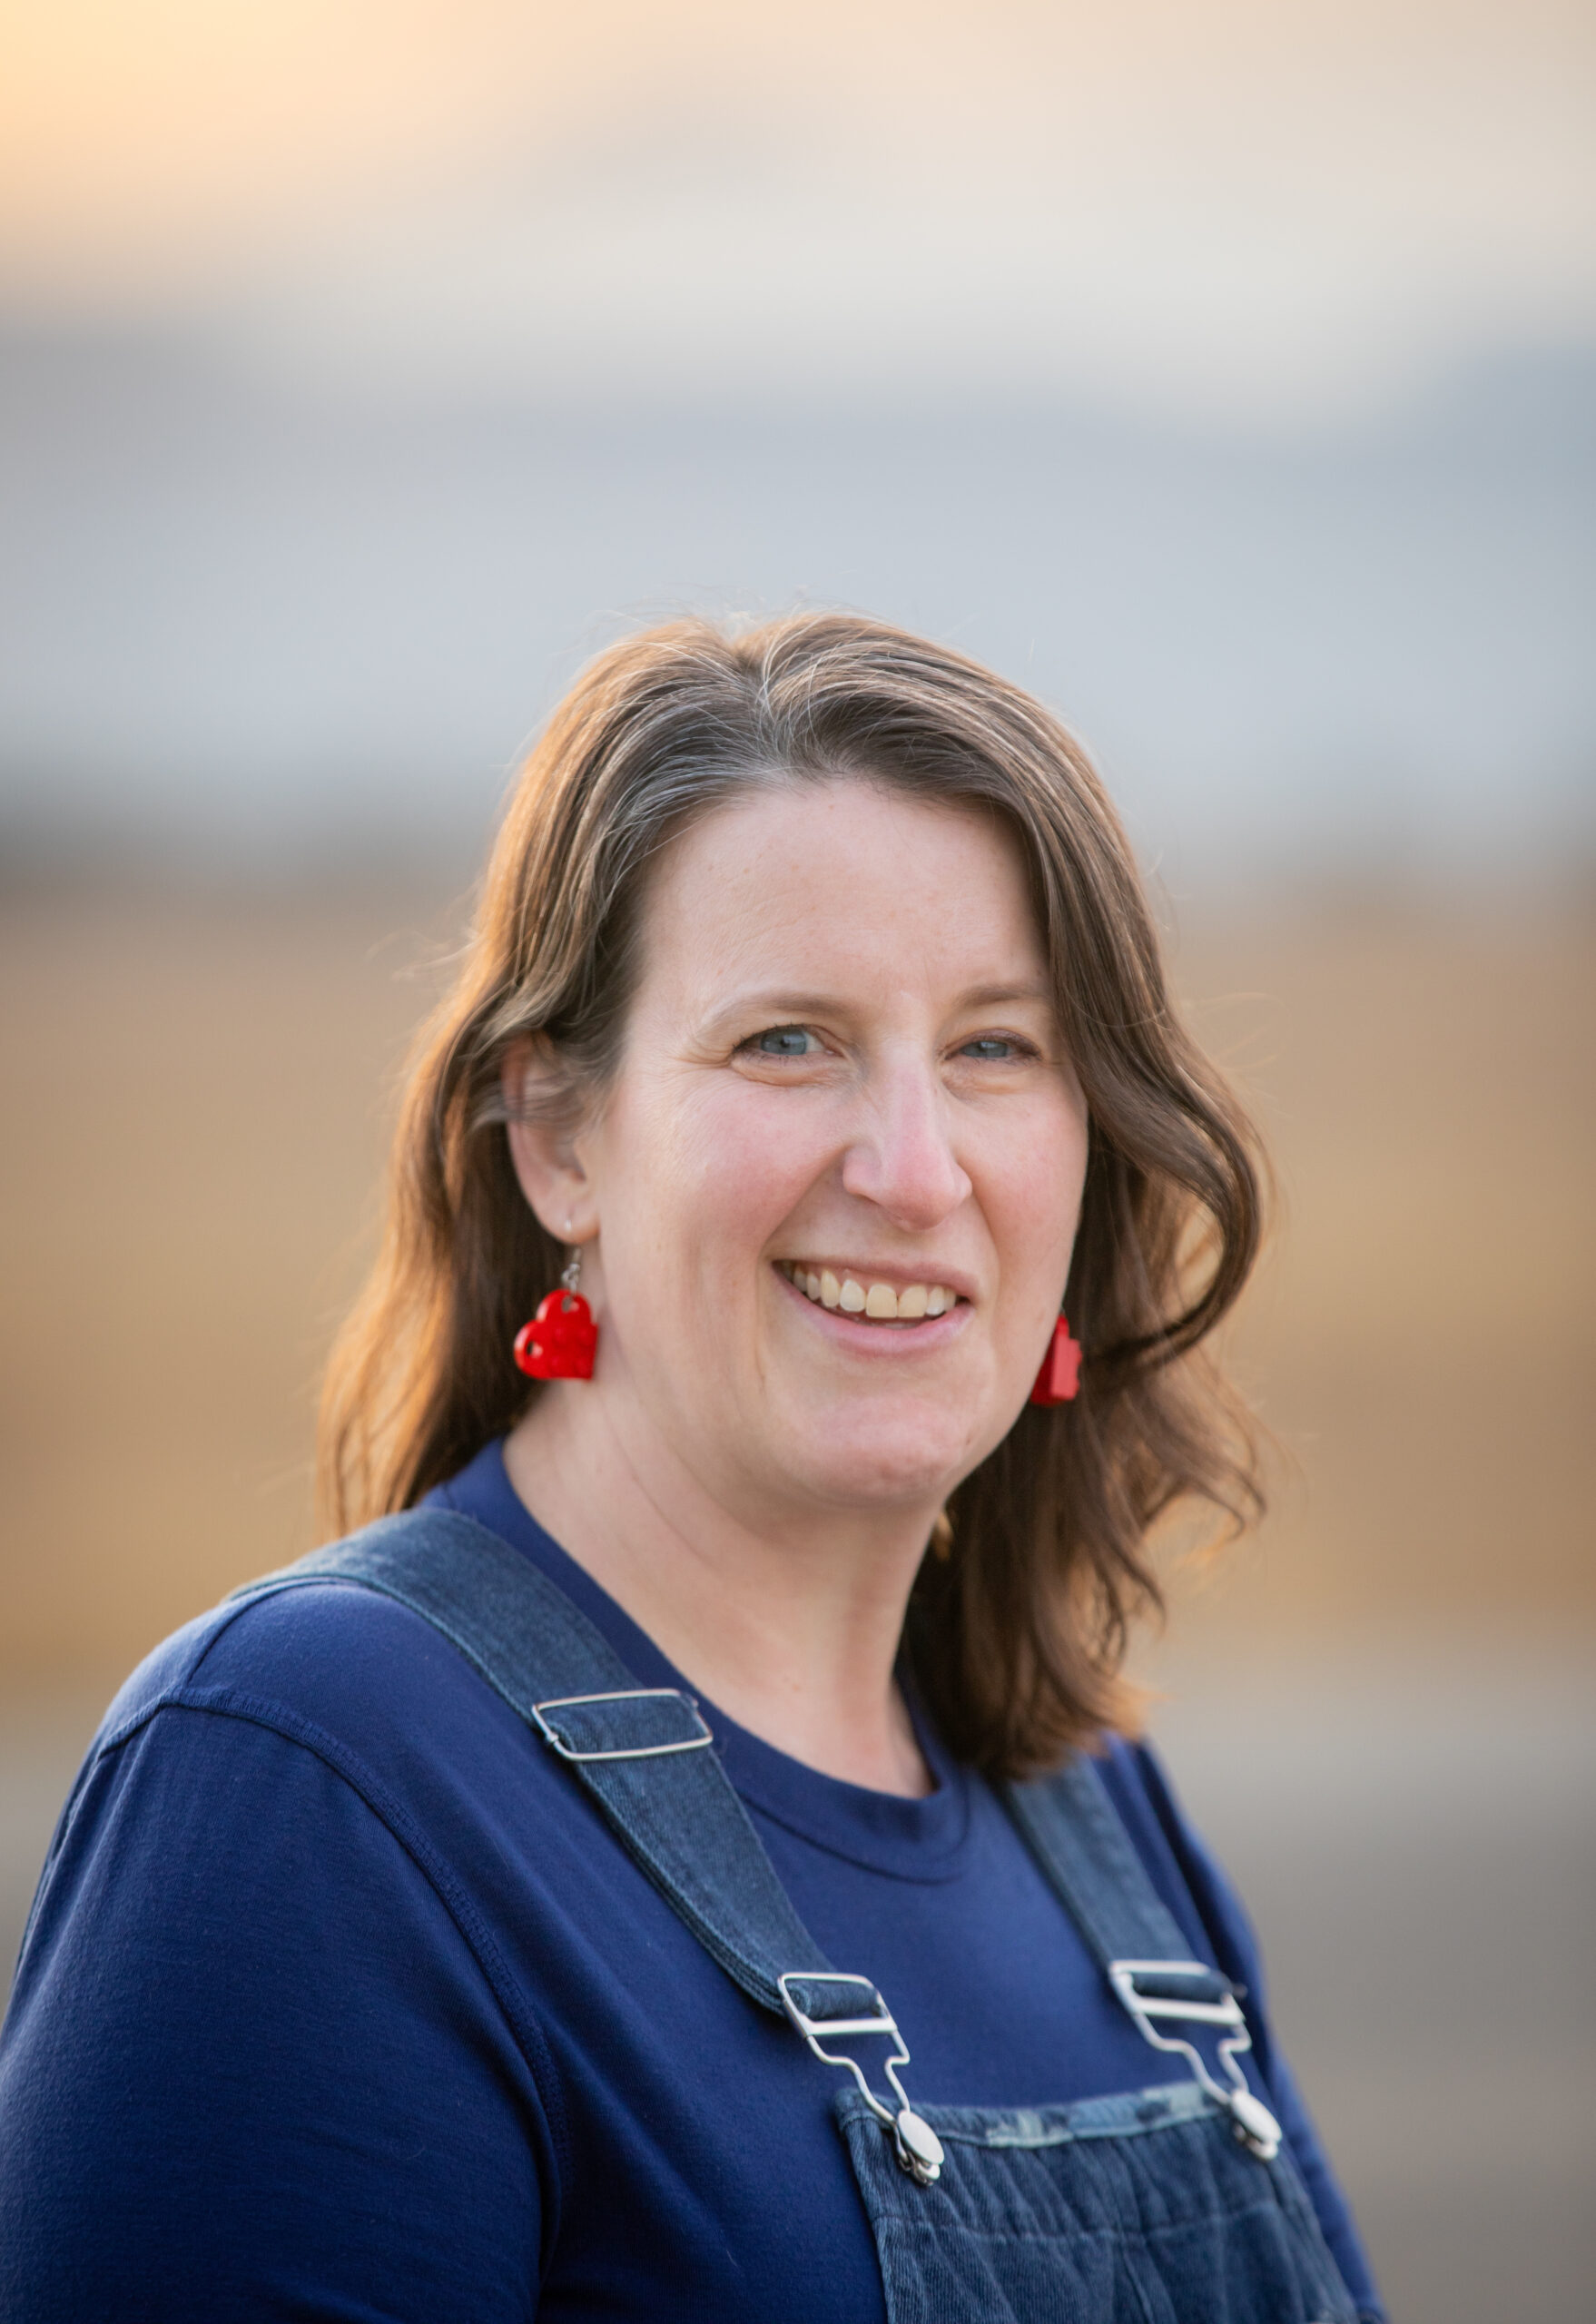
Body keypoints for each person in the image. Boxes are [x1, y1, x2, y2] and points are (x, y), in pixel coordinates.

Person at [0, 613, 1384, 2322]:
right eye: (785, 1040)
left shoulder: (1095, 1823)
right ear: (557, 1137)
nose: (913, 1170)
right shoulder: (313, 1781)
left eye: (995, 1047)